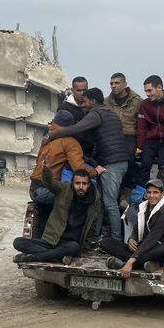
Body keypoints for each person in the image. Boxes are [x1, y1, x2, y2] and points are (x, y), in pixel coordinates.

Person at [48, 87, 130, 240]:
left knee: (109, 203)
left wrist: (52, 135)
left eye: (85, 101)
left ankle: (116, 240)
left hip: (112, 163)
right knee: (99, 202)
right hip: (118, 162)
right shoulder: (110, 113)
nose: (82, 105)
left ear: (93, 101)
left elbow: (76, 129)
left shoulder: (96, 114)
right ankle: (95, 237)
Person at [13, 165, 100, 264]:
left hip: (69, 244)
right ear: (72, 183)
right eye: (77, 183)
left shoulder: (94, 200)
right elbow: (50, 183)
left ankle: (33, 257)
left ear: (89, 185)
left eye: (84, 184)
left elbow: (92, 227)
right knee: (18, 242)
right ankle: (58, 256)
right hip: (50, 241)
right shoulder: (64, 189)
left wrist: (85, 248)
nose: (81, 187)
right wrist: (46, 170)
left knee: (74, 247)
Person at [100, 179, 164, 277]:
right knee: (105, 242)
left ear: (162, 194)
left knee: (163, 249)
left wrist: (130, 262)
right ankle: (148, 264)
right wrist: (131, 238)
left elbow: (151, 240)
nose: (151, 196)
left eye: (155, 192)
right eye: (149, 192)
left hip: (158, 249)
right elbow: (137, 228)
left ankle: (126, 264)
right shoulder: (144, 207)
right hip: (143, 246)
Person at [29, 110, 100, 205]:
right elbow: (78, 168)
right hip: (46, 189)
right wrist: (95, 172)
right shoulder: (70, 142)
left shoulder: (47, 139)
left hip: (34, 188)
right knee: (81, 196)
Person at [103, 72, 144, 206]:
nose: (113, 86)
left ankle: (125, 193)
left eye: (117, 83)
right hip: (111, 136)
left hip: (129, 135)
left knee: (129, 160)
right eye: (111, 83)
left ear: (125, 84)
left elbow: (142, 124)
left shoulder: (137, 101)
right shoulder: (106, 102)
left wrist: (140, 144)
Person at [136, 75, 164, 186]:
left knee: (163, 167)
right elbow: (141, 126)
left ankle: (162, 189)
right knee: (145, 164)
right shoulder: (145, 105)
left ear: (159, 88)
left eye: (149, 90)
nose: (147, 94)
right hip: (150, 140)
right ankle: (142, 190)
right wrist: (139, 146)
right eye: (145, 91)